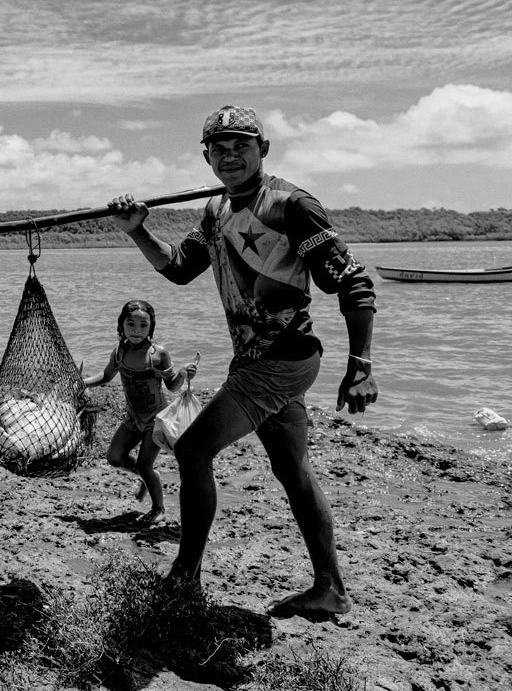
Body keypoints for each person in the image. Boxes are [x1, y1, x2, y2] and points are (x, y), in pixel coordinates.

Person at [108, 105, 378, 619]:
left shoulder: (292, 206)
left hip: (283, 359)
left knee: (190, 450)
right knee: (293, 470)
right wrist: (136, 229)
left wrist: (361, 365)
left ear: (263, 150)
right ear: (207, 156)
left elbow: (353, 282)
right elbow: (179, 269)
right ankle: (331, 589)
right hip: (255, 361)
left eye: (241, 147)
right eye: (219, 149)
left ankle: (184, 579)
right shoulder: (215, 212)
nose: (230, 157)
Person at [83, 300, 198, 524]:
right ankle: (147, 479)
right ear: (121, 325)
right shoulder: (119, 352)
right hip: (133, 417)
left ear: (151, 328)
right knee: (114, 457)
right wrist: (82, 383)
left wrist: (183, 373)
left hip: (155, 420)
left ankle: (158, 508)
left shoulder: (158, 354)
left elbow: (172, 386)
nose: (137, 330)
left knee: (145, 464)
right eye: (131, 324)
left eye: (143, 325)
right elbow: (106, 377)